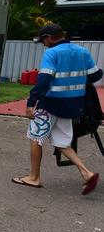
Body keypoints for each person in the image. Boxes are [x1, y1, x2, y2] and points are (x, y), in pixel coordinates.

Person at [12, 23, 103, 195]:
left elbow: (44, 81)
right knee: (62, 142)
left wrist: (31, 103)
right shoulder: (82, 51)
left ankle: (33, 178)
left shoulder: (51, 53)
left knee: (35, 138)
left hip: (50, 104)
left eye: (43, 41)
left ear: (48, 38)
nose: (43, 44)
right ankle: (87, 173)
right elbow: (96, 75)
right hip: (72, 106)